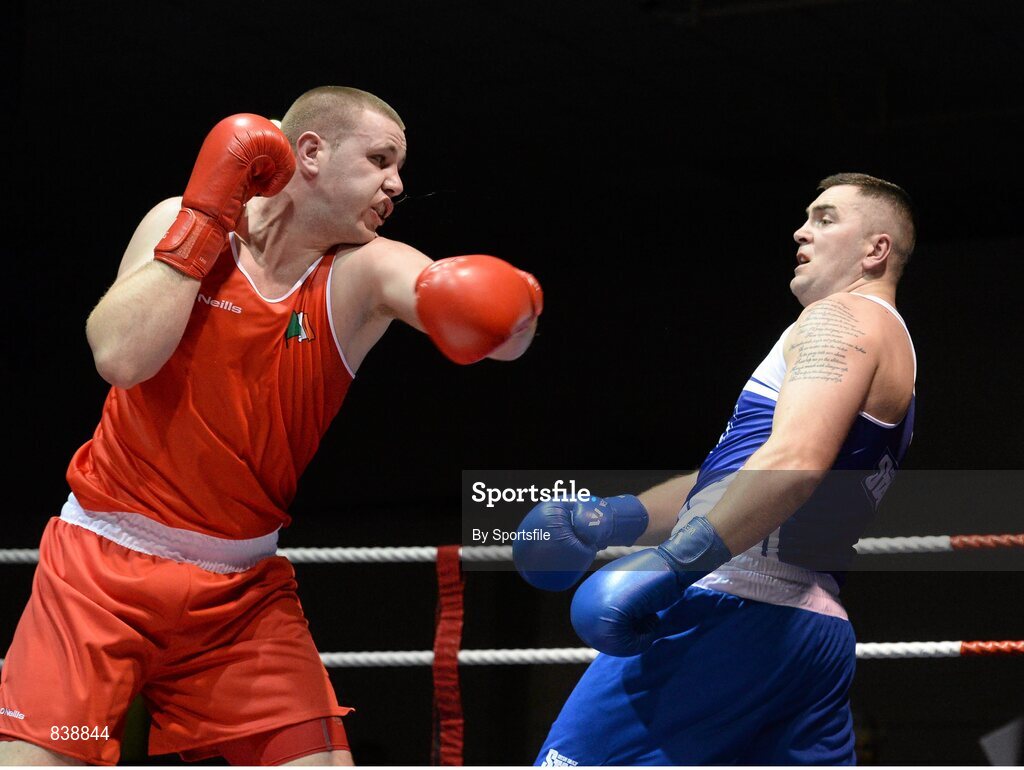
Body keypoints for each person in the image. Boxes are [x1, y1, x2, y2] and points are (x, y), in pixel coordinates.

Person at [0, 86, 542, 766]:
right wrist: (203, 221)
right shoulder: (180, 219)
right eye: (379, 159)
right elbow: (120, 357)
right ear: (311, 151)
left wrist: (510, 316)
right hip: (99, 570)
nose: (397, 185)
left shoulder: (363, 270)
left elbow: (454, 301)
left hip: (241, 597)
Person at [513, 173, 916, 765]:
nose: (801, 230)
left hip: (734, 603)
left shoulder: (842, 318)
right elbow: (742, 476)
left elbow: (794, 463)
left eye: (826, 218)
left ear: (875, 250)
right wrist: (613, 519)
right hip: (813, 630)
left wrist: (677, 565)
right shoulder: (892, 342)